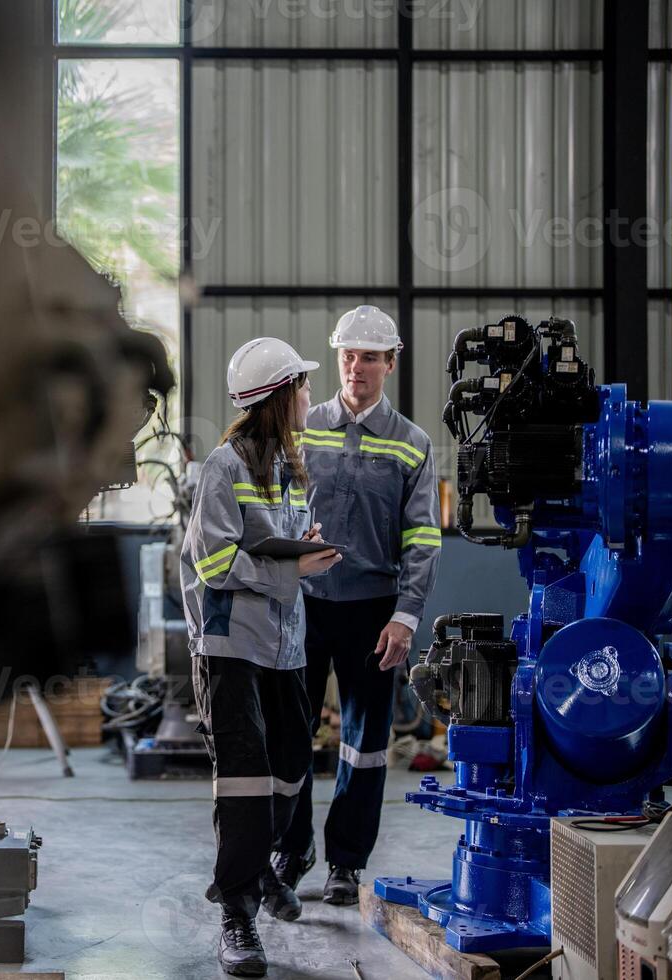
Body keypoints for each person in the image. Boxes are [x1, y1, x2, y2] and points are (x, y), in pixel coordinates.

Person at [270, 305, 442, 907]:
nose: (356, 366)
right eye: (347, 354)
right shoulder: (302, 427)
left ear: (390, 364)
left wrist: (407, 615)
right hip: (303, 607)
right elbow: (270, 507)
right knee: (291, 735)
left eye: (370, 356)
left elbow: (422, 539)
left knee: (366, 746)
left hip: (376, 612)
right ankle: (290, 853)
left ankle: (346, 860)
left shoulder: (413, 446)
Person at [181, 337, 342, 977]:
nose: (310, 395)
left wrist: (305, 547)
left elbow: (275, 544)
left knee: (293, 766)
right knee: (246, 778)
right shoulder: (225, 467)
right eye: (302, 386)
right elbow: (213, 561)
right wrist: (291, 569)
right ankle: (239, 916)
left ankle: (248, 873)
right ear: (279, 398)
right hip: (231, 645)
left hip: (284, 643)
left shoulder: (286, 465)